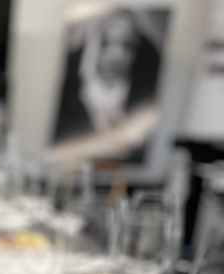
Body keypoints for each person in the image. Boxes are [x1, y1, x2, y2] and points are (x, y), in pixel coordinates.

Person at [50, 7, 166, 163]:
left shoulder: (143, 97)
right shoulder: (70, 94)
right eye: (106, 43)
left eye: (127, 45)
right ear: (92, 46)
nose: (116, 55)